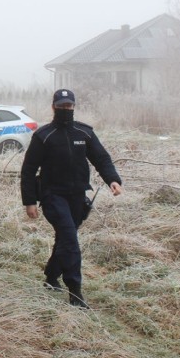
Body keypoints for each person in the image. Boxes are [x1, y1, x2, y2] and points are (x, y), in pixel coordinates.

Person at [20, 89, 122, 308]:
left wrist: (112, 179)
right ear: (53, 107)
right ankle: (75, 292)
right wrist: (29, 201)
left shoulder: (83, 133)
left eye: (69, 106)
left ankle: (50, 276)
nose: (65, 109)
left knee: (66, 239)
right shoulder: (43, 136)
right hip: (52, 196)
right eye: (61, 106)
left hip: (77, 196)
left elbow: (101, 158)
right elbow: (28, 170)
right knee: (70, 239)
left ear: (74, 107)